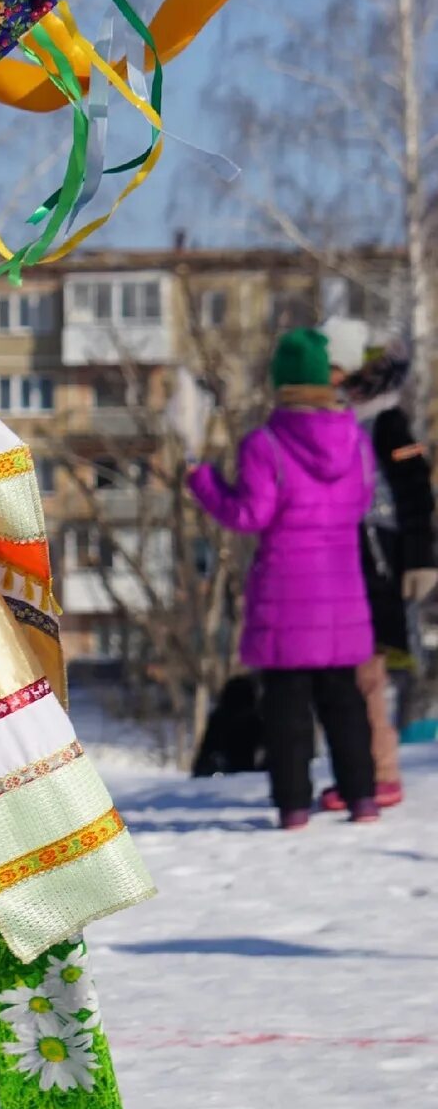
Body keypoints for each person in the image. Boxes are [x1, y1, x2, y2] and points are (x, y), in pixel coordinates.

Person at [188, 327, 377, 830]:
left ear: (282, 382)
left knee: (288, 708)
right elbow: (361, 504)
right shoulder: (357, 440)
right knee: (344, 701)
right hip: (342, 589)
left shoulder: (266, 443)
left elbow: (248, 514)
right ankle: (363, 799)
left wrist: (202, 479)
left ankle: (294, 807)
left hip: (287, 592)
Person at [322, 344, 438, 811]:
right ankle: (361, 773)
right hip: (344, 560)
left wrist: (421, 559)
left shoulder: (388, 422)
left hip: (380, 564)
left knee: (367, 671)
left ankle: (380, 772)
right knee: (347, 675)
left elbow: (414, 490)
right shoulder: (341, 425)